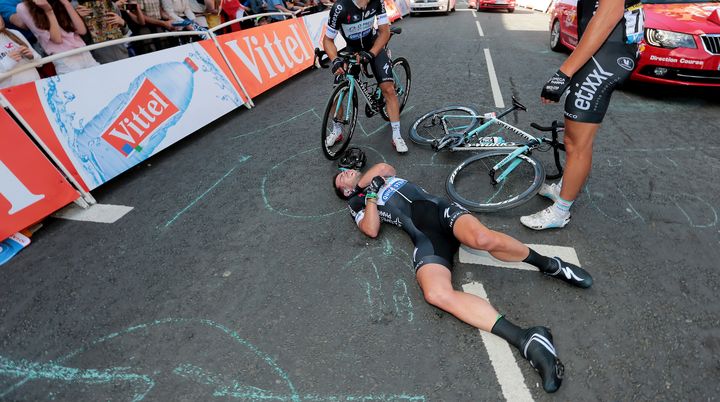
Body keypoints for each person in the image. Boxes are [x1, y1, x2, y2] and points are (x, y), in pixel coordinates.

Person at [333, 162, 594, 393]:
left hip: (441, 212)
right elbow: (371, 229)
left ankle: (550, 265)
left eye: (346, 171)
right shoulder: (355, 202)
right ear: (345, 192)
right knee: (435, 293)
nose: (346, 173)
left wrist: (371, 182)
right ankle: (527, 339)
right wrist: (368, 195)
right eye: (342, 178)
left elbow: (385, 168)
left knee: (482, 239)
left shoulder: (377, 173)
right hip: (424, 237)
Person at [520, 0, 643, 230]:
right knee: (573, 136)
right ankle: (565, 186)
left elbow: (609, 14)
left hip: (607, 52)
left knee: (578, 142)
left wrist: (564, 73)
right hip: (602, 49)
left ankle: (560, 212)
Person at [322, 0, 407, 153]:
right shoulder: (340, 8)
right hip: (351, 49)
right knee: (336, 95)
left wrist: (371, 53)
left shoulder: (377, 2)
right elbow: (328, 40)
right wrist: (335, 61)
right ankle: (337, 130)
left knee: (388, 89)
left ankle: (396, 135)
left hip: (373, 45)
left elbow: (384, 32)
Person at [16, 0, 99, 74]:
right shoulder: (23, 7)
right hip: (63, 57)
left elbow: (82, 30)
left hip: (83, 51)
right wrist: (49, 11)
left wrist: (67, 3)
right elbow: (57, 39)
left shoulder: (57, 2)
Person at [0, 14, 41, 88]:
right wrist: (8, 61)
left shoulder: (14, 33)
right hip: (11, 93)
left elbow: (39, 62)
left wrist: (31, 56)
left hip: (36, 84)